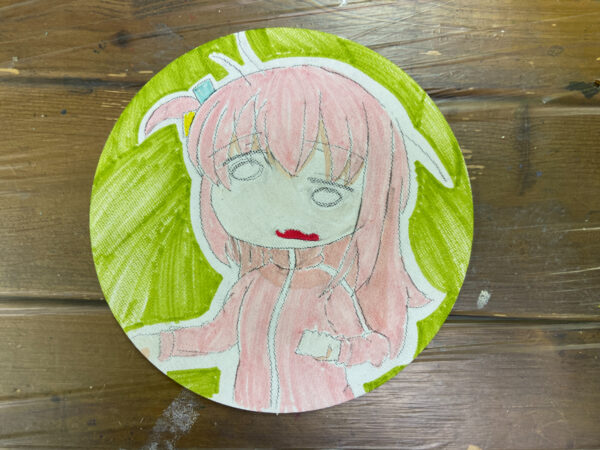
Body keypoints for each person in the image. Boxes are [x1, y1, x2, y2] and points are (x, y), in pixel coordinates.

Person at [132, 32, 452, 413]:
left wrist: (336, 350)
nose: (287, 212)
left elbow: (377, 347)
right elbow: (215, 336)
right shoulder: (250, 285)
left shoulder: (330, 292)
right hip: (243, 412)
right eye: (246, 170)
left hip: (326, 414)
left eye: (328, 194)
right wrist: (161, 344)